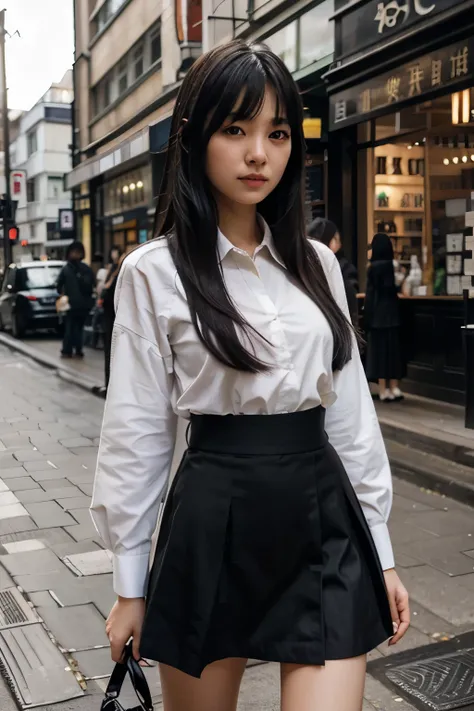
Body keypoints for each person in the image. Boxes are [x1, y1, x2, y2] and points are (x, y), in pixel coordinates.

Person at [90, 41, 409, 711]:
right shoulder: (155, 271)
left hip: (322, 510)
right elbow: (137, 429)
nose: (259, 152)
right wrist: (129, 584)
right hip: (212, 513)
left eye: (278, 132)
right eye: (236, 129)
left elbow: (350, 413)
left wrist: (379, 549)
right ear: (196, 137)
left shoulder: (318, 263)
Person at [364, 233, 404, 402]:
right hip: (392, 314)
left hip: (377, 316)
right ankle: (394, 387)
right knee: (393, 352)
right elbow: (394, 288)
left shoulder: (372, 268)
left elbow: (371, 293)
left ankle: (382, 389)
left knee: (379, 352)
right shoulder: (393, 266)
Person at [308, 218, 359, 325]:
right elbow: (349, 305)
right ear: (329, 242)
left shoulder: (304, 266)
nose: (339, 241)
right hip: (337, 328)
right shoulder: (342, 267)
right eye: (335, 238)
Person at [57, 241, 94, 358]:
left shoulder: (69, 269)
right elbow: (59, 285)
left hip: (78, 304)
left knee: (73, 327)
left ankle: (70, 349)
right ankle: (74, 349)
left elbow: (58, 285)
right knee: (73, 328)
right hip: (76, 304)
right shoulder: (81, 269)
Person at [98, 246, 122, 388]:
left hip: (114, 315)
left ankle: (111, 385)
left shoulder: (119, 270)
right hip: (111, 315)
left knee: (113, 351)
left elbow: (107, 291)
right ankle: (109, 384)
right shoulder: (114, 269)